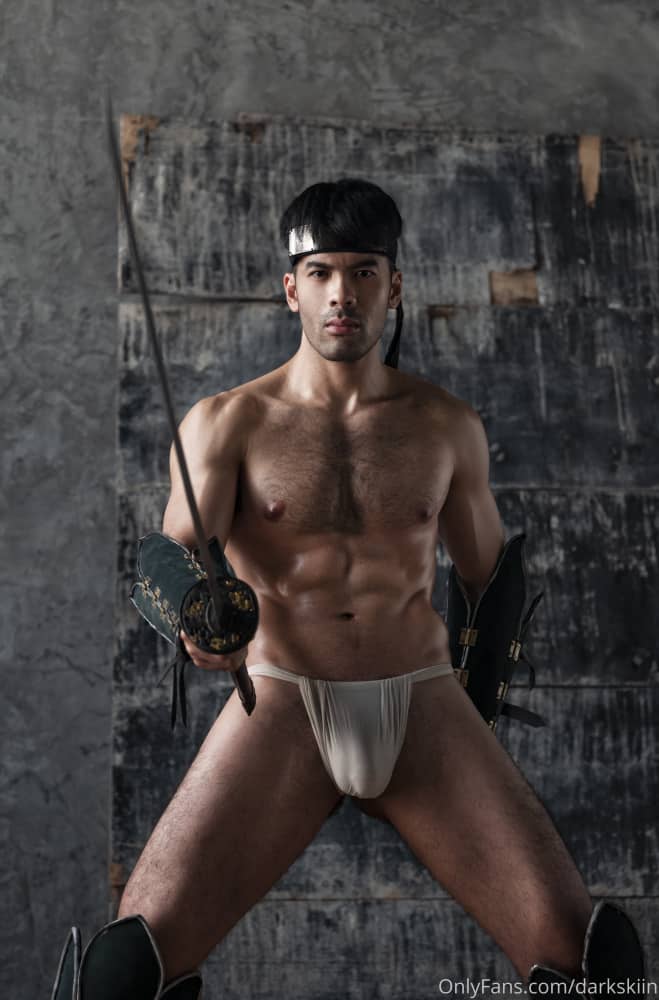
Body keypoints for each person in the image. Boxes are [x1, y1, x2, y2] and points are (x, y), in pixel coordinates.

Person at [51, 179, 645, 999]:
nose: (342, 293)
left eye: (364, 272)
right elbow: (169, 554)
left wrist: (472, 715)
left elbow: (490, 580)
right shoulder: (228, 422)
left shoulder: (445, 425)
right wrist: (194, 615)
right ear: (290, 288)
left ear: (393, 286)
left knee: (586, 962)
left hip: (420, 701)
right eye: (321, 272)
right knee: (128, 967)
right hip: (284, 702)